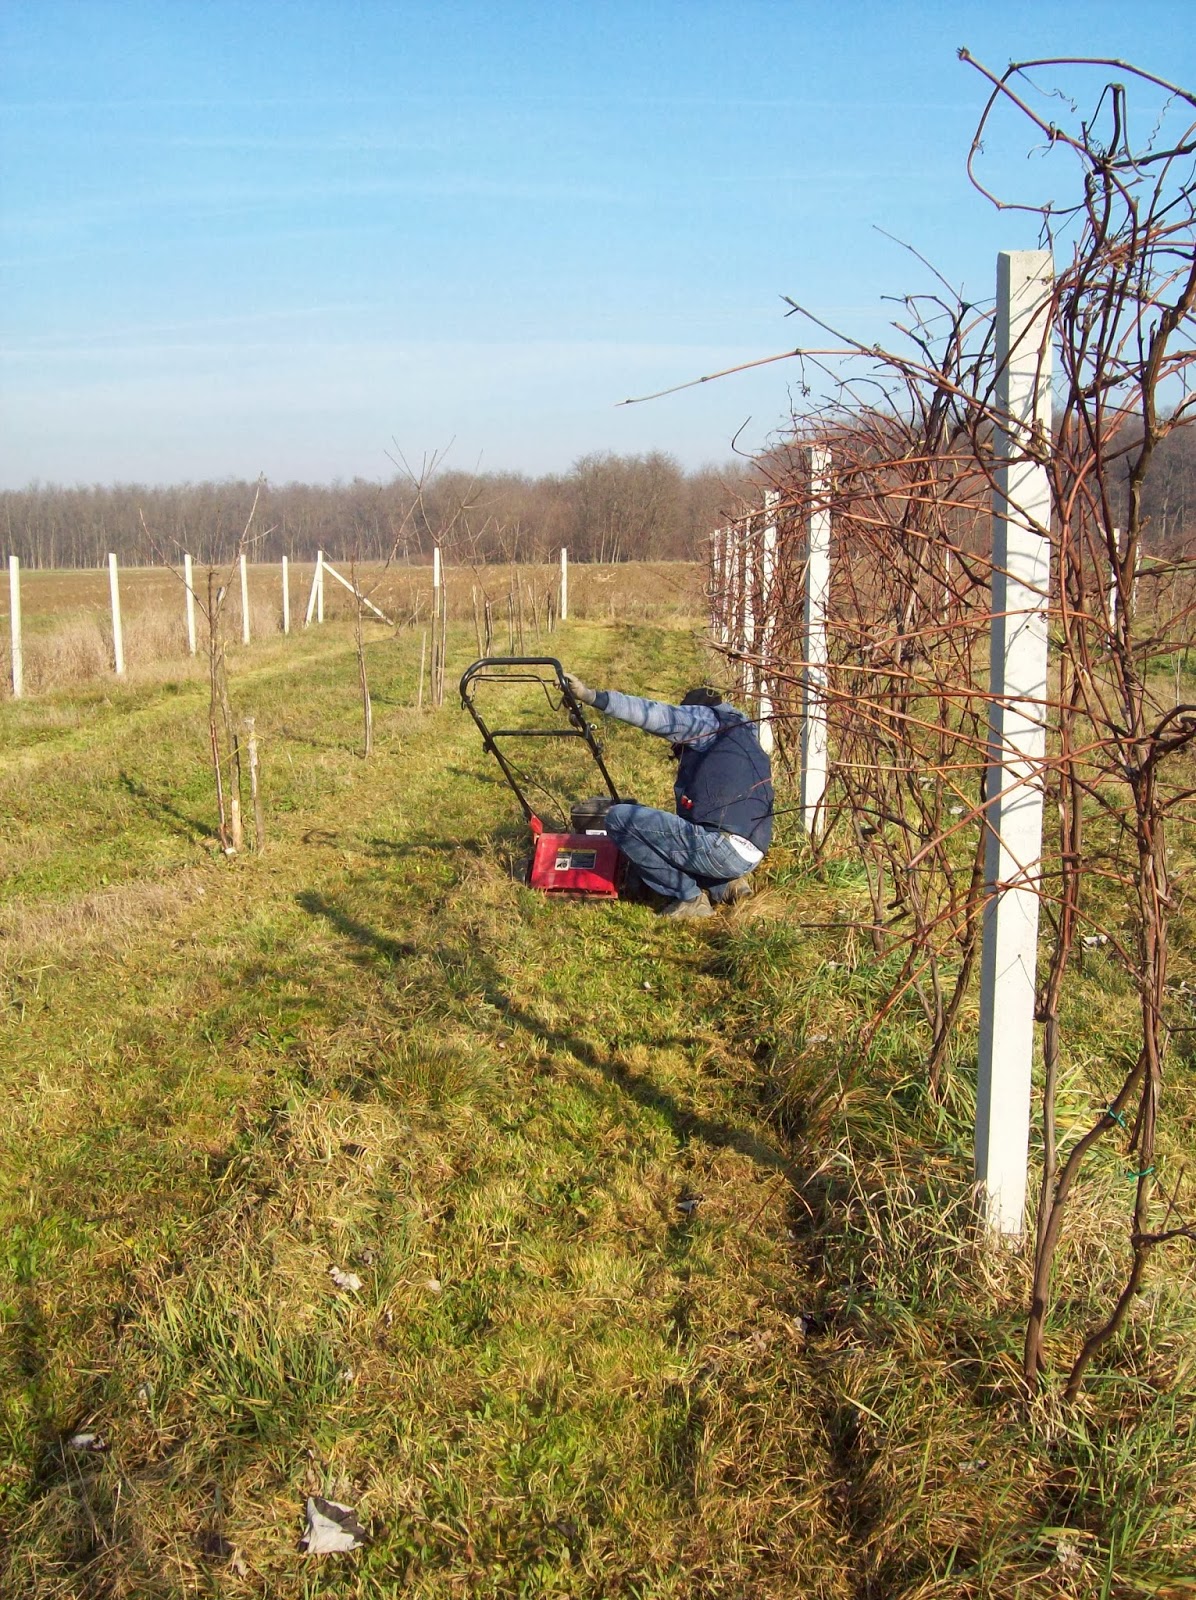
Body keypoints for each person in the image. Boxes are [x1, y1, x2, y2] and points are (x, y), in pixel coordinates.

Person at [564, 674, 773, 920]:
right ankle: (726, 884)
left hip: (722, 849)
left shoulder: (703, 721)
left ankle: (690, 898)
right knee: (686, 831)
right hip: (752, 850)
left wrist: (592, 697)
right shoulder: (745, 732)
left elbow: (652, 714)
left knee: (620, 819)